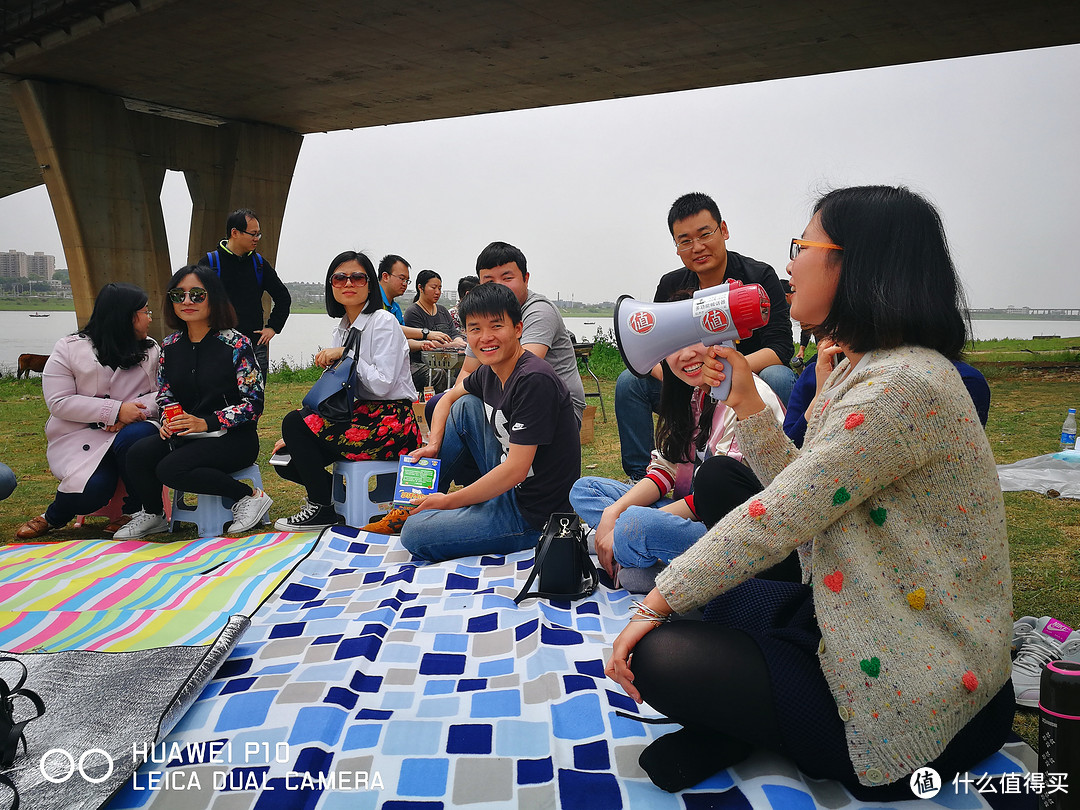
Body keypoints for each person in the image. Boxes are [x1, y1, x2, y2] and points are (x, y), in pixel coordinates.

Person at [605, 186, 1013, 797]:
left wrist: (652, 603)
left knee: (660, 654)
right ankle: (749, 723)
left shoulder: (902, 387)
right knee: (711, 602)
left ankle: (760, 730)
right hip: (861, 615)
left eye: (804, 246)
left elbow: (777, 515)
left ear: (857, 264)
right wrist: (744, 395)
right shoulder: (865, 366)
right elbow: (806, 492)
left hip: (917, 691)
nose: (790, 263)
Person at [571, 291, 786, 593]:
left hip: (729, 530)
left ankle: (623, 549)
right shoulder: (693, 395)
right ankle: (630, 548)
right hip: (684, 511)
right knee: (585, 490)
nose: (684, 355)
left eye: (695, 339)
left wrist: (633, 521)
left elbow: (720, 497)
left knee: (635, 532)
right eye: (673, 345)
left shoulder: (749, 396)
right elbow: (665, 469)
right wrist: (612, 513)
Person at [615, 192, 795, 481]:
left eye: (704, 234)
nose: (697, 247)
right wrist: (691, 377)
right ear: (676, 247)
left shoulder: (758, 275)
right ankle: (640, 476)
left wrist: (725, 372)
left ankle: (775, 468)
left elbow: (781, 347)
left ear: (723, 230)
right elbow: (654, 343)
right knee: (630, 382)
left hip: (750, 381)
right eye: (685, 240)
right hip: (690, 381)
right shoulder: (671, 284)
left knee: (780, 376)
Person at [398, 282, 580, 561]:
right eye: (475, 329)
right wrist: (433, 445)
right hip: (509, 488)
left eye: (496, 326)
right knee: (465, 406)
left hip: (533, 515)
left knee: (414, 533)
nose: (486, 338)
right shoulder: (491, 371)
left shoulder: (534, 380)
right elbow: (447, 399)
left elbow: (516, 471)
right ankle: (418, 499)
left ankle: (431, 507)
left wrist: (448, 503)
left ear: (518, 329)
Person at [272, 251, 422, 531]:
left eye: (357, 277)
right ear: (331, 286)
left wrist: (346, 355)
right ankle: (335, 498)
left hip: (392, 421)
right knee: (287, 461)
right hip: (359, 415)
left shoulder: (383, 321)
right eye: (339, 278)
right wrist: (306, 427)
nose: (348, 283)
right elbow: (340, 391)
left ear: (370, 284)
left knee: (293, 423)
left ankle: (322, 507)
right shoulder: (342, 329)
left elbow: (382, 384)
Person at [117, 266, 270, 539]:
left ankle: (249, 497)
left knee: (170, 468)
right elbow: (165, 395)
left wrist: (207, 421)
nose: (187, 302)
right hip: (187, 435)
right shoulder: (170, 346)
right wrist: (168, 419)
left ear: (214, 298)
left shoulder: (237, 344)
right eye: (179, 295)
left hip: (233, 438)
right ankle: (154, 515)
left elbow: (253, 403)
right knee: (138, 453)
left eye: (197, 294)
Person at [14, 283, 161, 540]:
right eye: (145, 312)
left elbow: (163, 393)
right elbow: (59, 402)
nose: (149, 319)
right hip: (80, 436)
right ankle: (54, 516)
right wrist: (114, 411)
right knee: (90, 492)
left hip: (132, 431)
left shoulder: (150, 350)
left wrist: (133, 414)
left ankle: (134, 510)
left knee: (136, 438)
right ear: (127, 316)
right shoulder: (70, 349)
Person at [199, 208, 291, 376]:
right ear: (235, 232)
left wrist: (273, 327)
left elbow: (283, 297)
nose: (257, 239)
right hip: (217, 346)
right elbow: (194, 302)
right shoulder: (210, 263)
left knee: (254, 400)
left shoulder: (259, 264)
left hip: (253, 345)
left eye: (259, 234)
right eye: (253, 234)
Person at [403, 269, 466, 393]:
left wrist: (459, 340)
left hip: (447, 359)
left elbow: (453, 332)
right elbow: (421, 342)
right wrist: (452, 345)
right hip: (421, 363)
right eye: (433, 287)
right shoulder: (413, 312)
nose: (438, 292)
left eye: (440, 288)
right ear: (420, 288)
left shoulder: (442, 310)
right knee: (441, 376)